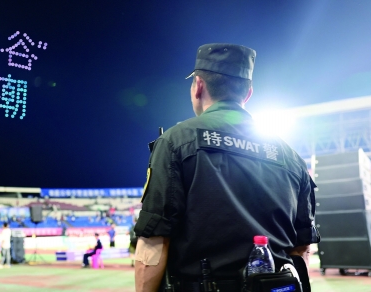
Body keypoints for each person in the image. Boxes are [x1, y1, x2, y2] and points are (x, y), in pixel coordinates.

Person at [134, 43, 320, 292]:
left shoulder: (176, 141)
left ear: (199, 85)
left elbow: (155, 240)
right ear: (248, 93)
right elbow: (302, 248)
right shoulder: (291, 157)